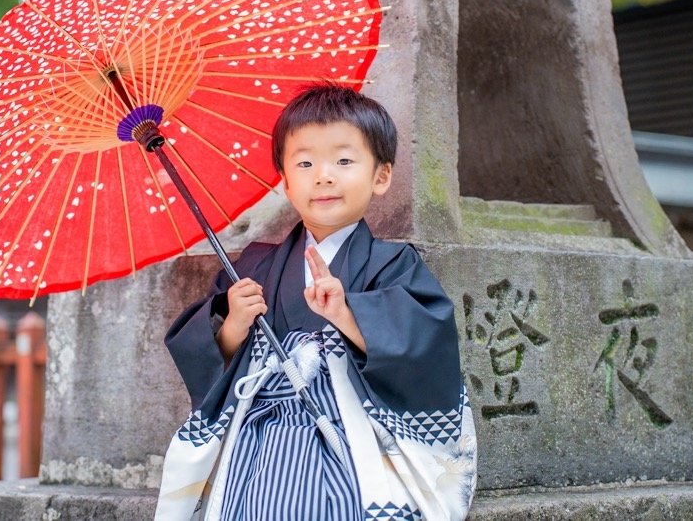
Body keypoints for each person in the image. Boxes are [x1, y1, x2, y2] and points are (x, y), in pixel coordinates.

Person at [155, 85, 477, 520]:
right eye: (304, 163)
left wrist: (346, 315)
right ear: (286, 181)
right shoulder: (255, 265)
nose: (323, 175)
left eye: (344, 161)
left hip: (355, 435)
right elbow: (206, 359)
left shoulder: (393, 263)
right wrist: (234, 322)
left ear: (381, 176)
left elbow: (424, 346)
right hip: (262, 437)